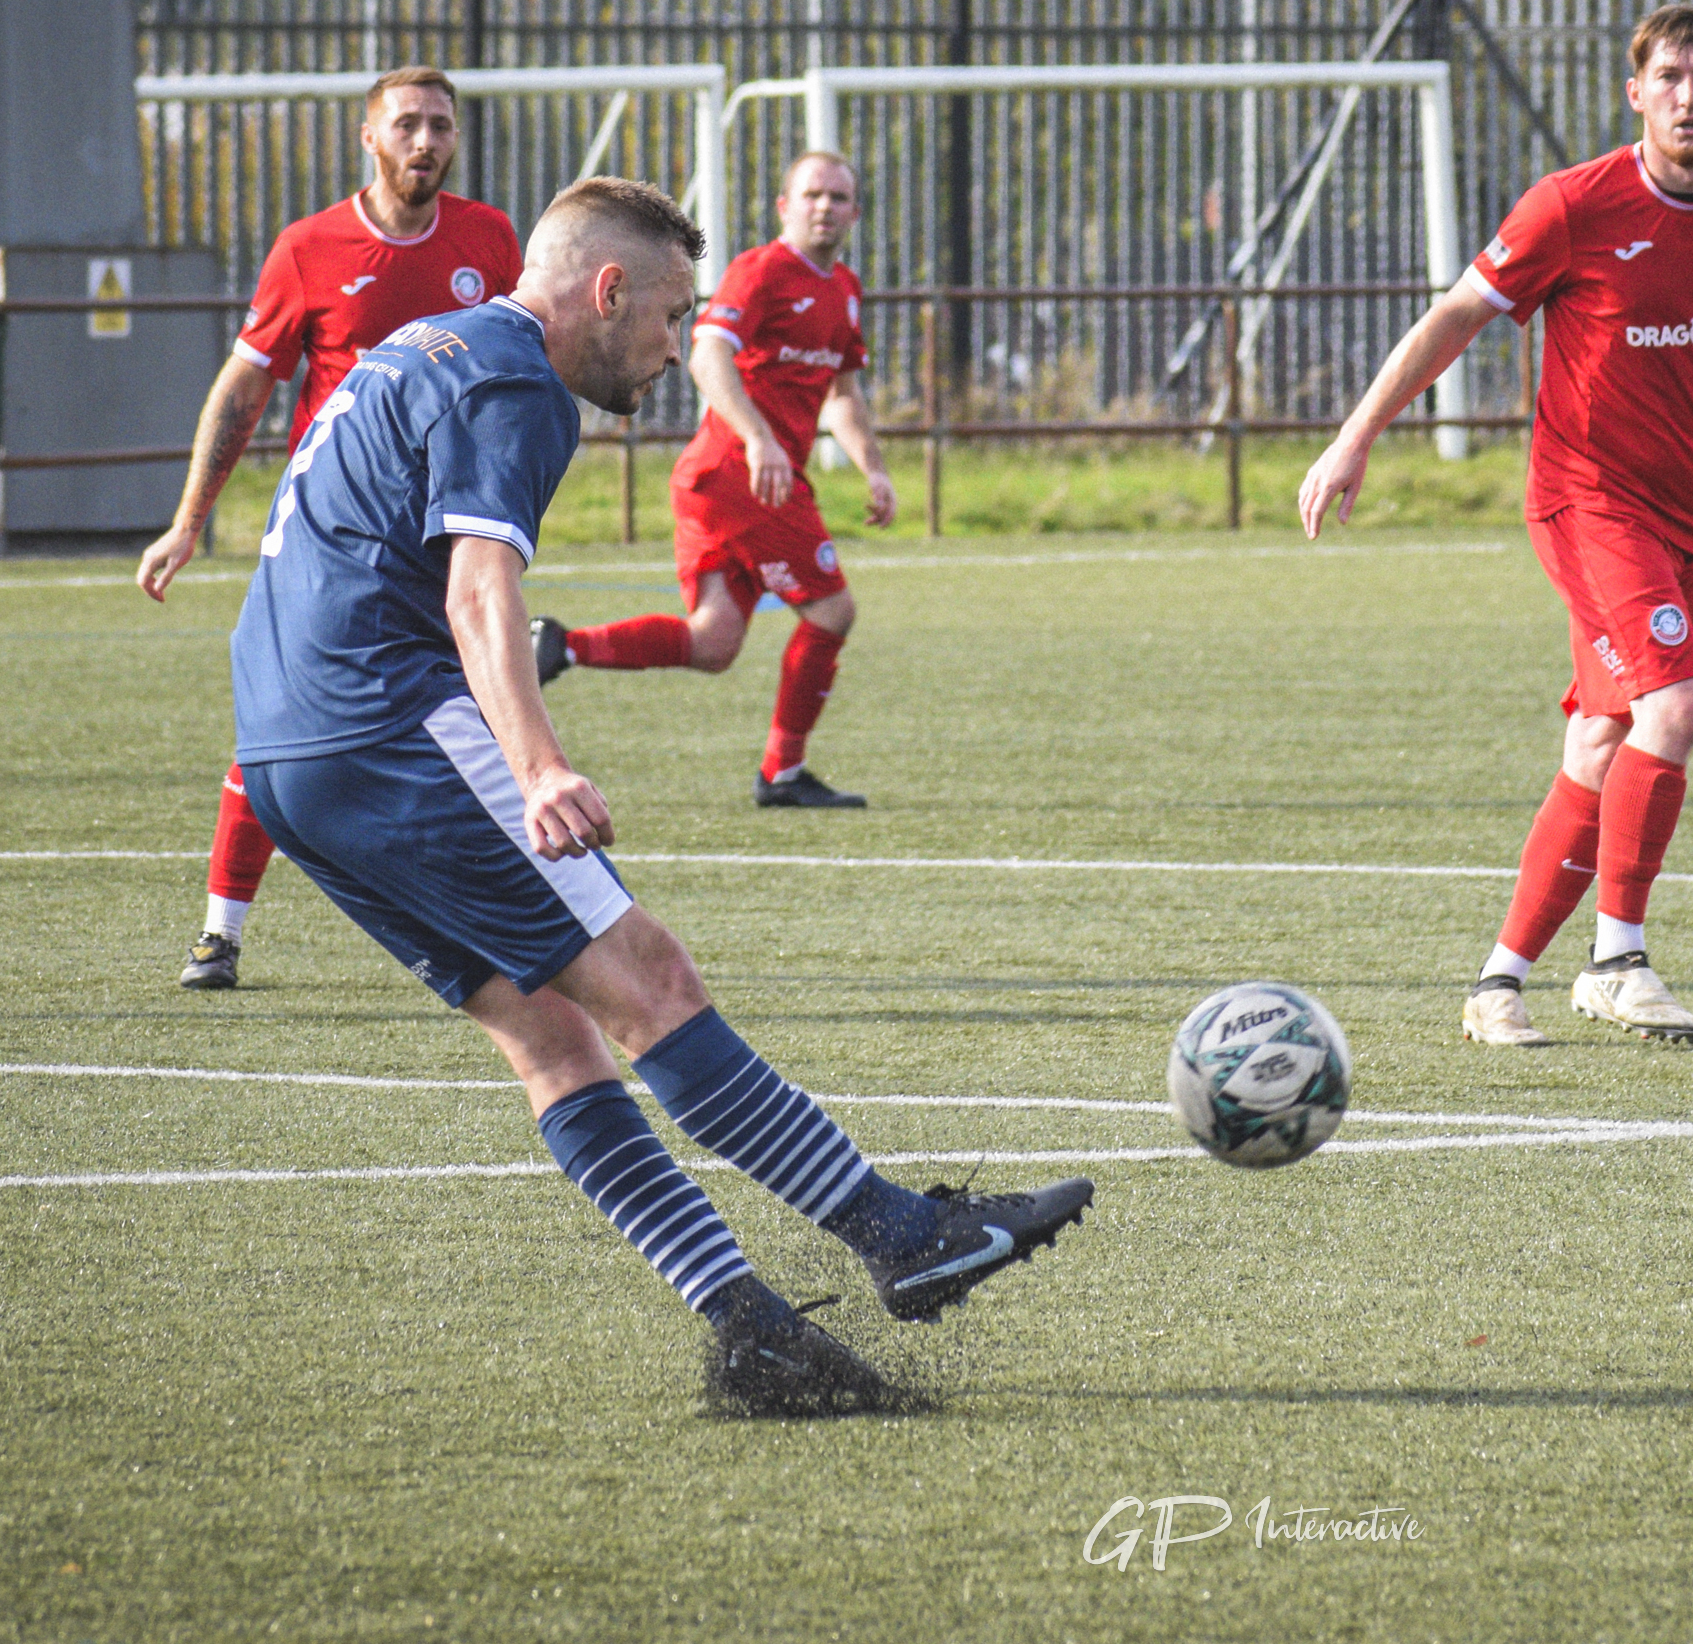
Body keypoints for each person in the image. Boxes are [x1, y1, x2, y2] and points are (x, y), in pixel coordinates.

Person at [226, 175, 1092, 1414]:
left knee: (551, 1035)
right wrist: (537, 766)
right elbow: (480, 594)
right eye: (671, 315)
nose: (680, 347)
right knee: (651, 981)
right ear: (607, 288)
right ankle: (902, 1234)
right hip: (388, 723)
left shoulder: (428, 347)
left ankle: (753, 1331)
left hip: (284, 752)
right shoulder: (519, 380)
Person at [1299, 3, 1693, 1048]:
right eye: (1670, 77)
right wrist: (1356, 436)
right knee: (1677, 707)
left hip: (1690, 517)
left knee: (1605, 738)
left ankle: (1497, 983)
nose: (1688, 95)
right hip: (1587, 499)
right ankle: (1618, 958)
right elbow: (1453, 316)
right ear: (1635, 93)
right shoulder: (1574, 203)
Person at [136, 66, 527, 993]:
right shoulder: (310, 248)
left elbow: (523, 352)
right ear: (369, 137)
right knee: (282, 717)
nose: (424, 141)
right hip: (332, 536)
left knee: (473, 715)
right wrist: (190, 522)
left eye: (440, 125)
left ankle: (501, 921)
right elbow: (246, 385)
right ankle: (219, 934)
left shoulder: (489, 238)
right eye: (406, 125)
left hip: (447, 528)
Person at [531, 152, 893, 811]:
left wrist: (872, 466)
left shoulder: (843, 288)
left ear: (855, 213)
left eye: (839, 198)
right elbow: (707, 354)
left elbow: (842, 392)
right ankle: (784, 773)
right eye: (812, 194)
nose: (825, 206)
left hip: (722, 481)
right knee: (834, 611)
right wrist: (759, 437)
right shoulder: (761, 271)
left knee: (713, 641)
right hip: (738, 475)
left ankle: (557, 645)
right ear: (785, 206)